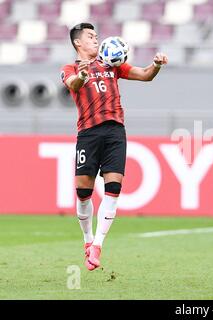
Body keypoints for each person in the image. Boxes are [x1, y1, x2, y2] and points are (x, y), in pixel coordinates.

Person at [61, 22, 168, 271]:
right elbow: (73, 85)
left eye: (96, 35)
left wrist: (157, 65)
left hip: (115, 131)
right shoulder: (70, 68)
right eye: (90, 36)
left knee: (114, 186)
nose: (96, 39)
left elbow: (145, 75)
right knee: (83, 191)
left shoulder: (111, 64)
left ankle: (98, 245)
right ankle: (87, 240)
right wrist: (83, 76)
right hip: (88, 133)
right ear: (78, 42)